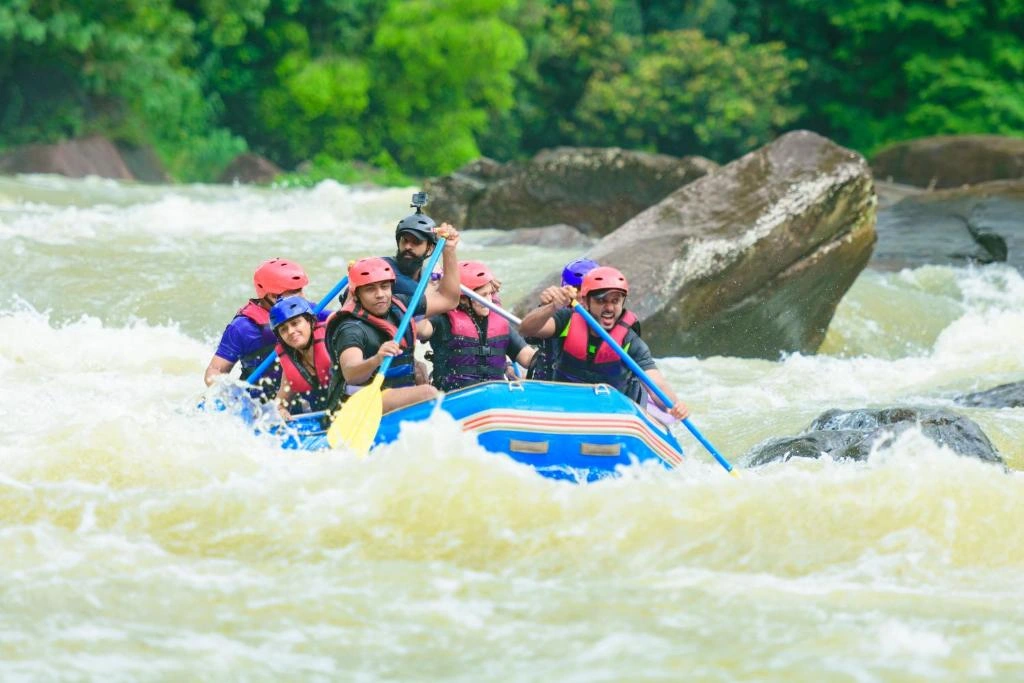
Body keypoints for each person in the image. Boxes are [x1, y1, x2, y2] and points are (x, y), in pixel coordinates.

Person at [518, 266, 689, 421]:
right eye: (601, 301)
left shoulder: (630, 341)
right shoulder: (567, 320)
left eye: (615, 301)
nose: (609, 308)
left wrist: (674, 405)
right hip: (564, 407)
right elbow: (526, 329)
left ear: (623, 302)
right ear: (586, 302)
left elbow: (656, 385)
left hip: (610, 416)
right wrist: (552, 307)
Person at [326, 225, 461, 414]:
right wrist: (376, 359)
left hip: (389, 394)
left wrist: (449, 250)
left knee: (421, 373)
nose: (380, 294)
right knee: (427, 393)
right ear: (356, 294)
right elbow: (351, 373)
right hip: (356, 403)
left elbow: (449, 299)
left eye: (384, 286)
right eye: (370, 289)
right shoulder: (350, 327)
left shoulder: (401, 305)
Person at [204, 258, 321, 398]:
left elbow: (342, 319)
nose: (302, 298)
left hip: (299, 396)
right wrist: (228, 394)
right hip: (260, 402)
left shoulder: (307, 311)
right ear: (272, 296)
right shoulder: (243, 328)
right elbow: (214, 371)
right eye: (293, 293)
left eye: (300, 290)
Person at [417, 261, 536, 392]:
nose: (489, 301)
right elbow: (420, 330)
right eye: (483, 295)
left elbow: (528, 358)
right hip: (454, 397)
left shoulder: (500, 322)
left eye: (490, 293)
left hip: (495, 395)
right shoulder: (443, 319)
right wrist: (430, 289)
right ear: (463, 299)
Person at [526, 257, 599, 381]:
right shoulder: (557, 313)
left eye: (587, 291)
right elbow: (529, 336)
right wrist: (546, 307)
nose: (582, 296)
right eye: (577, 289)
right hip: (550, 386)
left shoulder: (606, 319)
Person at [268, 296, 334, 419]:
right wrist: (280, 411)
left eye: (295, 323)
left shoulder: (335, 343)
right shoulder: (293, 364)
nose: (291, 331)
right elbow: (279, 405)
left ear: (310, 321)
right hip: (324, 419)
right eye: (283, 329)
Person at [383, 204, 439, 297]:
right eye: (404, 240)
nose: (407, 246)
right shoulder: (383, 268)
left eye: (416, 241)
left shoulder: (430, 275)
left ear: (430, 249)